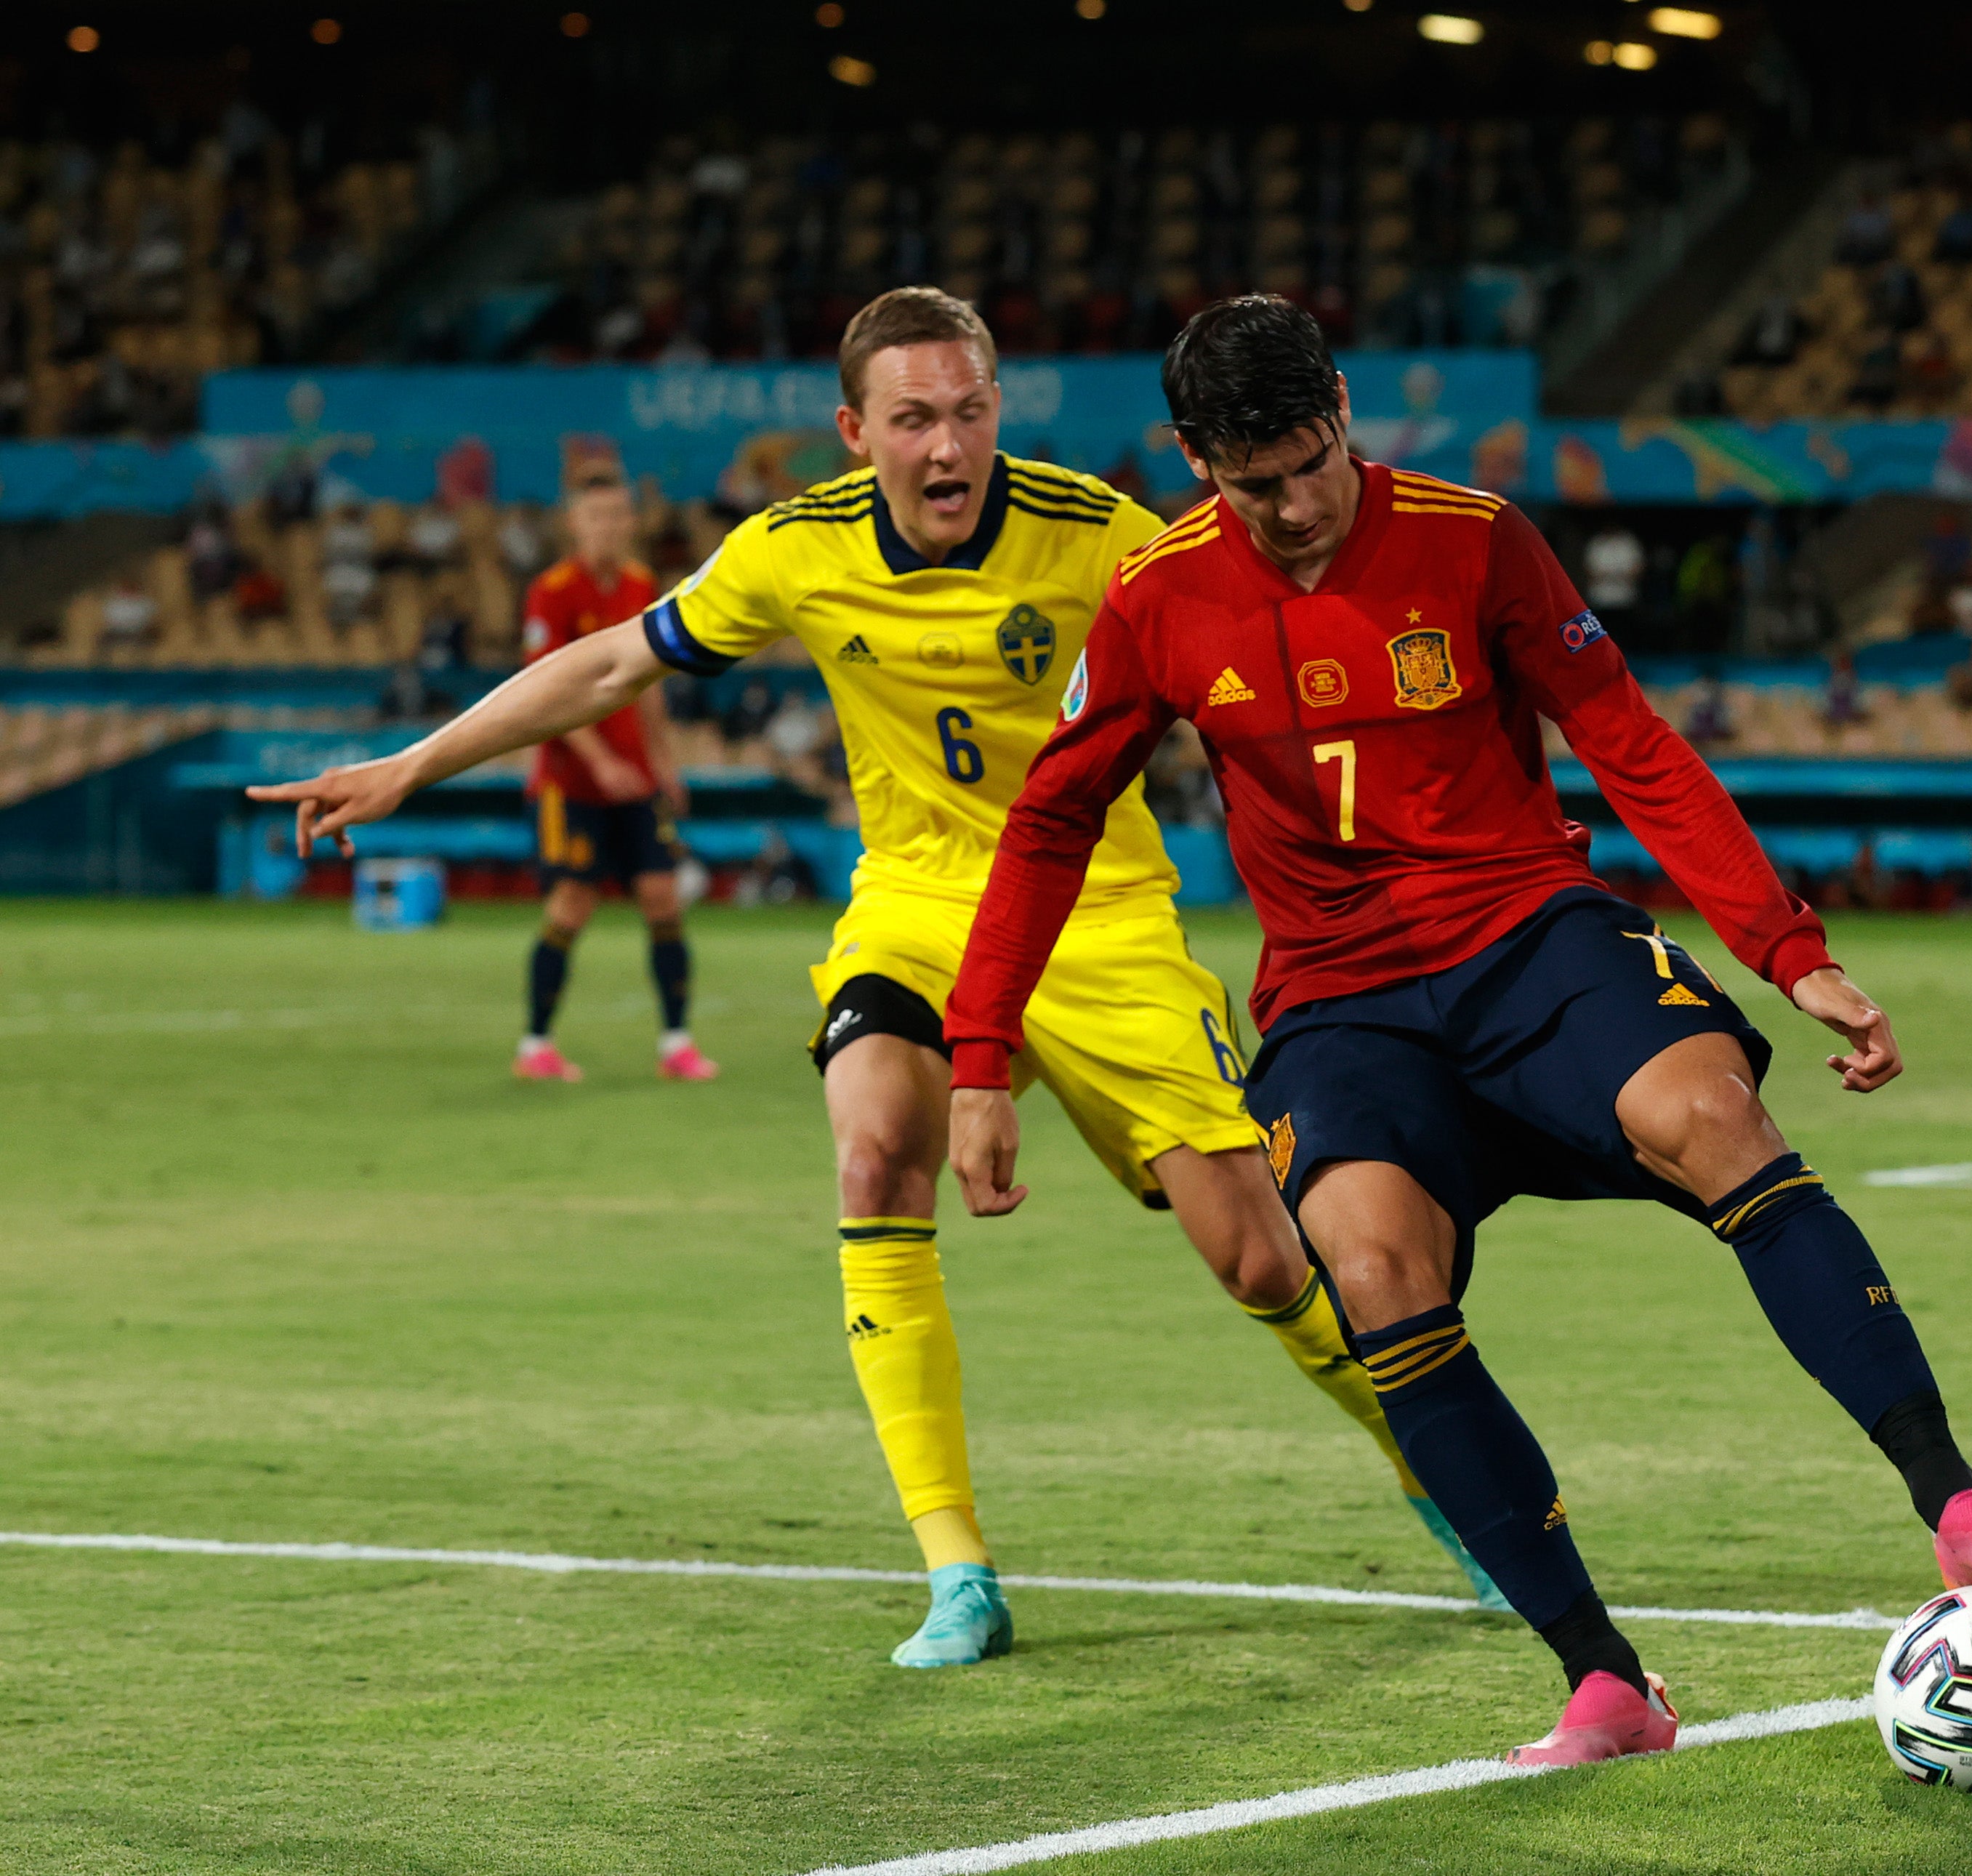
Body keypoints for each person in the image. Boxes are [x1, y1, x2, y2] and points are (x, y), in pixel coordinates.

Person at [244, 286, 1500, 1671]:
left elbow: (1276, 637)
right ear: (857, 433)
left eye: (969, 410)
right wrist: (411, 763)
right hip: (911, 907)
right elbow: (613, 664)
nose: (947, 441)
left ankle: (1437, 1476)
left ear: (996, 412)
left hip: (1099, 917)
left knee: (1261, 1256)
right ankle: (957, 1570)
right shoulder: (796, 550)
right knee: (873, 1159)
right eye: (915, 418)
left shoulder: (1105, 537)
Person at [939, 294, 1972, 1771]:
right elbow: (1047, 824)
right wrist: (981, 1060)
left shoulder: (1475, 537)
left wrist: (1787, 953)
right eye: (1252, 483)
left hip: (1526, 936)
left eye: (1309, 463)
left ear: (1343, 410)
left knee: (1720, 1122)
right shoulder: (1159, 595)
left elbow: (1633, 747)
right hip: (1340, 1004)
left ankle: (1957, 1502)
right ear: (1192, 460)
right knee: (1366, 1269)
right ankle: (1605, 1682)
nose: (1292, 508)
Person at [509, 468, 715, 1085]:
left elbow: (647, 687)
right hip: (571, 785)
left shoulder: (641, 585)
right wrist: (601, 761)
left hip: (636, 781)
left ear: (632, 522)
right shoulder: (553, 592)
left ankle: (677, 1042)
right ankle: (535, 1044)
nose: (608, 526)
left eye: (619, 515)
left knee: (662, 899)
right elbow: (541, 693)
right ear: (575, 523)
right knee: (571, 904)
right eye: (596, 516)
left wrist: (664, 764)